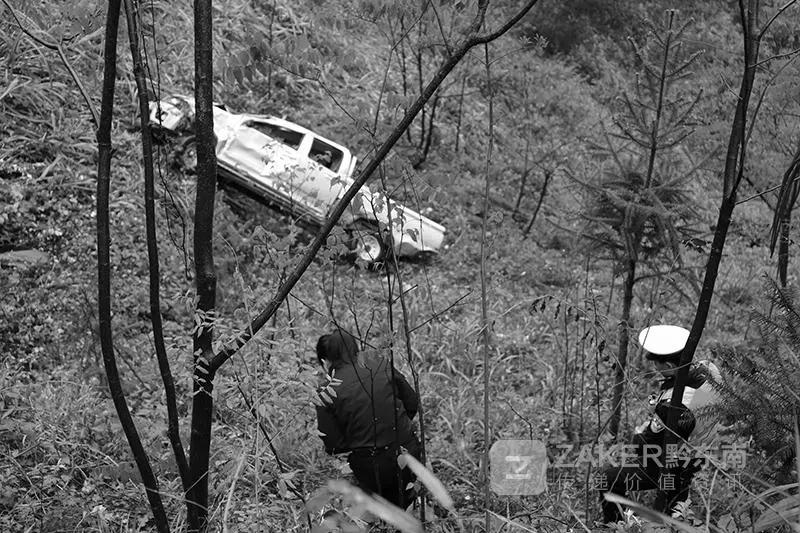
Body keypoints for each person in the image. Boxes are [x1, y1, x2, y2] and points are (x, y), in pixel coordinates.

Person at [598, 324, 723, 524]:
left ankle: (618, 525)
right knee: (677, 504)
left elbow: (648, 446)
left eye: (658, 364)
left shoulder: (673, 404)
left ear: (669, 367)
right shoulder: (709, 370)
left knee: (607, 478)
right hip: (702, 450)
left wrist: (637, 438)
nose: (655, 368)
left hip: (674, 462)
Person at [314, 329, 422, 508]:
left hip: (372, 467)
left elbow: (334, 445)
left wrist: (362, 437)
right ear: (356, 349)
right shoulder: (379, 363)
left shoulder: (327, 391)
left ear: (325, 362)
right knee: (408, 502)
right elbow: (411, 403)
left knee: (384, 509)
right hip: (408, 451)